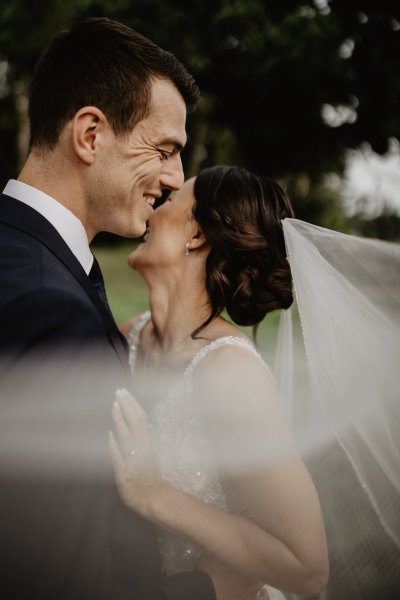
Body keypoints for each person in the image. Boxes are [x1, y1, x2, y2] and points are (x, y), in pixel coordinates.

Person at [0, 16, 225, 600]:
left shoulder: (24, 255)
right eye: (165, 149)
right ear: (91, 135)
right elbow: (59, 579)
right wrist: (214, 589)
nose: (177, 178)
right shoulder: (53, 311)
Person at [113, 165, 330, 600]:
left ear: (196, 235)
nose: (154, 210)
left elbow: (308, 569)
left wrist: (153, 495)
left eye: (171, 203)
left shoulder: (229, 373)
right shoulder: (127, 337)